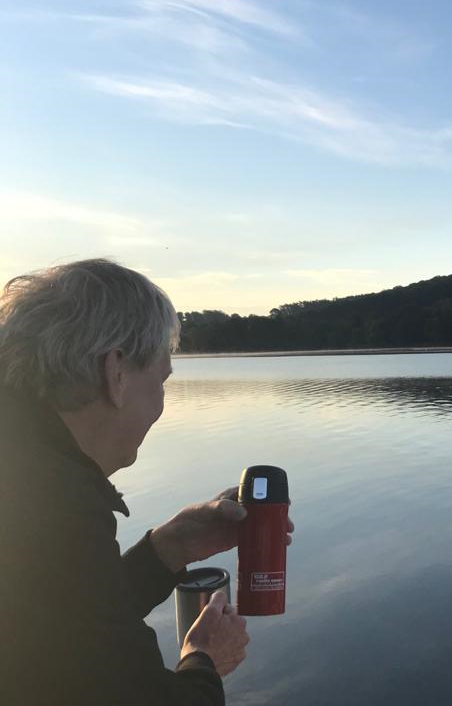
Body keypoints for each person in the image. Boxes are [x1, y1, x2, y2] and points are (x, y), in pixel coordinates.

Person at [0, 258, 292, 705]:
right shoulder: (54, 509)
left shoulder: (28, 469)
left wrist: (169, 547)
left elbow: (69, 627)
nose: (160, 404)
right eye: (161, 380)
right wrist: (205, 660)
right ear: (116, 373)